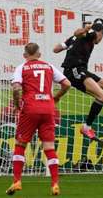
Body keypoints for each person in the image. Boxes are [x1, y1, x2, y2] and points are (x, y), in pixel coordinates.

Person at [6, 43, 71, 196]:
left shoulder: (21, 67)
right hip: (48, 109)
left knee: (20, 144)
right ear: (39, 54)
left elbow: (16, 88)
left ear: (25, 55)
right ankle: (55, 184)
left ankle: (17, 181)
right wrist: (56, 97)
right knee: (49, 147)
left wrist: (17, 104)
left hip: (30, 108)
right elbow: (67, 84)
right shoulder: (48, 66)